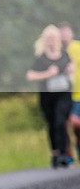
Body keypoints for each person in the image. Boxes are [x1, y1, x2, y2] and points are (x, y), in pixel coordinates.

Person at [26, 24, 75, 168]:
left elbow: (72, 67)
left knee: (61, 121)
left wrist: (70, 69)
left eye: (54, 37)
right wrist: (47, 74)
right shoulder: (41, 59)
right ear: (45, 40)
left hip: (64, 94)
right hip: (48, 96)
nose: (52, 40)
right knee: (52, 123)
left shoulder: (65, 54)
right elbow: (30, 75)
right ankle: (55, 153)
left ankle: (63, 153)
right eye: (50, 38)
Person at [59, 22, 80, 161]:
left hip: (78, 93)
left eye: (66, 32)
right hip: (64, 94)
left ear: (71, 33)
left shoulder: (78, 47)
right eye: (62, 33)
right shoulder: (58, 51)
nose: (64, 35)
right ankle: (68, 155)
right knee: (65, 124)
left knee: (75, 124)